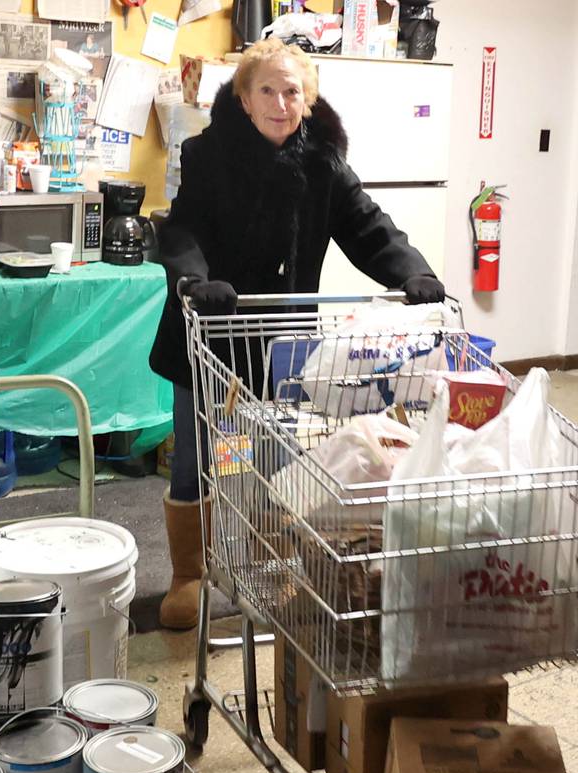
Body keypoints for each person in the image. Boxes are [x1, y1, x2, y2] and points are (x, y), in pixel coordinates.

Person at [149, 36, 445, 630]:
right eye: (267, 90)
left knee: (278, 460)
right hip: (208, 327)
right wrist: (194, 281)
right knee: (196, 456)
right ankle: (188, 575)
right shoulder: (208, 155)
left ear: (306, 99)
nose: (281, 103)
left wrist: (412, 270)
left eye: (293, 92)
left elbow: (367, 226)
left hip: (284, 339)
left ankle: (272, 564)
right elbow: (182, 232)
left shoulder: (323, 163)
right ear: (244, 96)